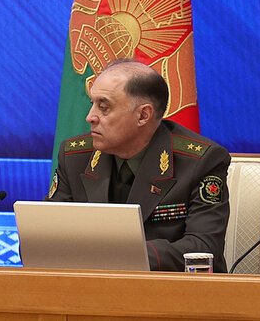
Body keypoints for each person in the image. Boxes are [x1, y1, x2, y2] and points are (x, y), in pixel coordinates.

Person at [48, 59, 231, 271]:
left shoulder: (200, 161)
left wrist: (115, 256)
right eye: (92, 104)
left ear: (143, 115)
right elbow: (46, 235)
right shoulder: (75, 156)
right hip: (90, 286)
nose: (90, 117)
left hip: (168, 287)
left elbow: (203, 248)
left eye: (104, 107)